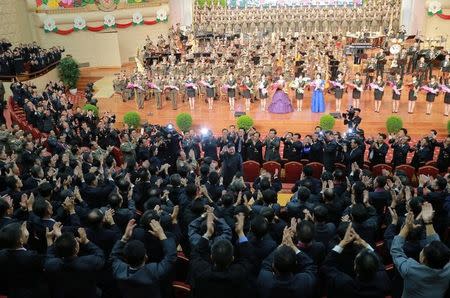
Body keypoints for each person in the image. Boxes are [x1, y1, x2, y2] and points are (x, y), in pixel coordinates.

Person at [390, 203, 450, 298]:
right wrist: (428, 222)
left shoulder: (411, 270)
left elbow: (396, 251)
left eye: (424, 249)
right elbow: (438, 246)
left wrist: (406, 227)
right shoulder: (448, 267)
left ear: (423, 259)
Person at [190, 213, 253, 298]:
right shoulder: (239, 274)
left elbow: (195, 253)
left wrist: (208, 233)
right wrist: (240, 232)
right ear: (232, 259)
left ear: (211, 257)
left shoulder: (201, 271)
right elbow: (247, 257)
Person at [110, 219, 177, 298]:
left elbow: (113, 255)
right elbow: (170, 257)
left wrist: (124, 238)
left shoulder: (118, 270)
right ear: (146, 257)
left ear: (125, 259)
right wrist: (161, 234)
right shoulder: (153, 272)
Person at [257, 226, 317, 298]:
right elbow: (310, 266)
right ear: (296, 264)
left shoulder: (265, 279)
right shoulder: (304, 282)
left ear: (273, 266)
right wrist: (292, 246)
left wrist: (281, 244)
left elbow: (265, 264)